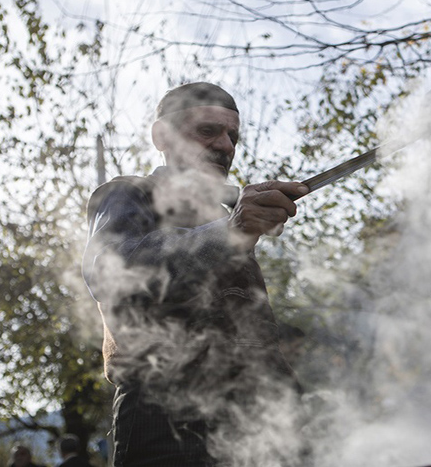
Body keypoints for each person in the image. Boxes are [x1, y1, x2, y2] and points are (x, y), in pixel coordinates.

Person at [82, 82, 309, 467]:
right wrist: (230, 233)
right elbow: (111, 274)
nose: (225, 146)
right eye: (208, 131)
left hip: (258, 424)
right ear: (162, 136)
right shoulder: (129, 194)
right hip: (168, 423)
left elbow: (251, 338)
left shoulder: (223, 222)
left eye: (232, 136)